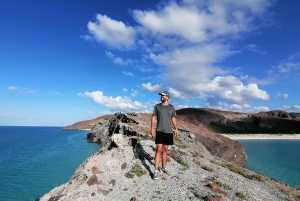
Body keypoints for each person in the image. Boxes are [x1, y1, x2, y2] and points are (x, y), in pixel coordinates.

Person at [151, 90, 178, 180]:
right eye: (161, 96)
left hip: (169, 131)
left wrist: (176, 128)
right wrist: (152, 128)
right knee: (159, 149)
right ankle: (155, 171)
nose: (161, 97)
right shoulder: (157, 106)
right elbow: (154, 117)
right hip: (159, 130)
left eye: (163, 95)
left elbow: (173, 118)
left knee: (165, 149)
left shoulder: (171, 107)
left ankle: (163, 167)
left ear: (168, 97)